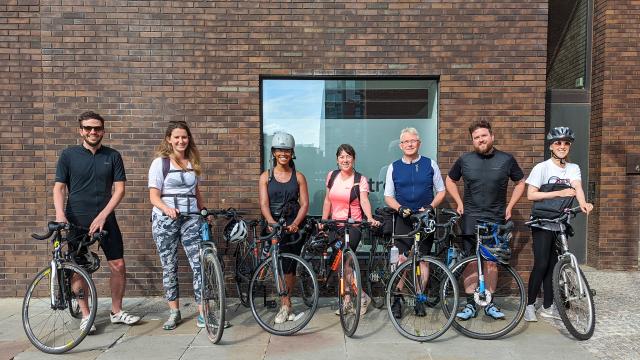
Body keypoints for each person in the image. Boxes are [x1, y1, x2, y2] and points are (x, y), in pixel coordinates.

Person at [54, 111, 140, 334]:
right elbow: (59, 187)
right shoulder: (68, 155)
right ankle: (86, 315)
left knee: (118, 265)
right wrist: (60, 215)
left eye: (98, 128)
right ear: (81, 130)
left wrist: (103, 215)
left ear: (103, 130)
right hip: (76, 219)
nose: (93, 132)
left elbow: (119, 189)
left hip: (106, 217)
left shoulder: (112, 155)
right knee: (78, 268)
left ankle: (116, 311)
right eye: (89, 128)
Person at [149, 121, 228, 330]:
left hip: (191, 218)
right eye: (176, 137)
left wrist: (204, 211)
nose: (181, 141)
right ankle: (174, 312)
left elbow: (196, 192)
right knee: (169, 265)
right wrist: (166, 209)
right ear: (169, 139)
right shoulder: (161, 163)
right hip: (165, 220)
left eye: (184, 137)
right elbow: (154, 196)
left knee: (199, 264)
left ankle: (204, 313)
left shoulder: (193, 161)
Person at [445, 119, 525, 320]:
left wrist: (510, 206)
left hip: (495, 218)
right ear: (472, 140)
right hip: (470, 217)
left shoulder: (506, 159)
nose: (480, 140)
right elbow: (450, 180)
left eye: (483, 136)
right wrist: (458, 202)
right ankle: (471, 304)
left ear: (492, 136)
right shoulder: (465, 160)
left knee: (491, 263)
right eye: (476, 137)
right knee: (471, 262)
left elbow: (521, 182)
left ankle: (489, 302)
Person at [523, 127, 593, 322]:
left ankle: (548, 306)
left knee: (554, 265)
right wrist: (559, 193)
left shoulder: (573, 168)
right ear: (551, 146)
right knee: (542, 263)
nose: (562, 146)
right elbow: (531, 195)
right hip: (542, 223)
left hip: (560, 223)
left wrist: (584, 203)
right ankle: (529, 305)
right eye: (558, 143)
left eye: (566, 143)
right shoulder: (542, 168)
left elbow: (577, 187)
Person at [384, 127, 446, 318]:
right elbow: (388, 196)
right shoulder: (394, 167)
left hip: (425, 218)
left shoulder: (430, 164)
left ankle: (419, 298)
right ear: (400, 145)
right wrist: (399, 208)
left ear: (419, 143)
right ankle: (397, 298)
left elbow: (442, 191)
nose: (409, 144)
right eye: (405, 142)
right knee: (400, 260)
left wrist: (430, 206)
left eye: (413, 141)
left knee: (423, 260)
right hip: (403, 218)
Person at [320, 144, 381, 316]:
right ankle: (349, 299)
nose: (345, 160)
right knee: (341, 264)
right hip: (335, 225)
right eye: (341, 157)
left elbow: (364, 201)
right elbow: (327, 201)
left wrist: (369, 218)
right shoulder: (331, 176)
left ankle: (359, 297)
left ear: (354, 159)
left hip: (352, 226)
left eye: (348, 156)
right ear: (337, 160)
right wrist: (324, 221)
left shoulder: (360, 179)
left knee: (344, 261)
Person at [258, 131, 309, 324]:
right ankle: (285, 304)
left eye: (287, 150)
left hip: (293, 227)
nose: (283, 154)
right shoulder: (266, 176)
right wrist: (271, 223)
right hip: (274, 225)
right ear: (273, 152)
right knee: (277, 266)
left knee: (289, 267)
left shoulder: (299, 177)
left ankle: (286, 304)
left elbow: (304, 204)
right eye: (279, 150)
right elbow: (264, 204)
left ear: (292, 153)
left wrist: (296, 223)